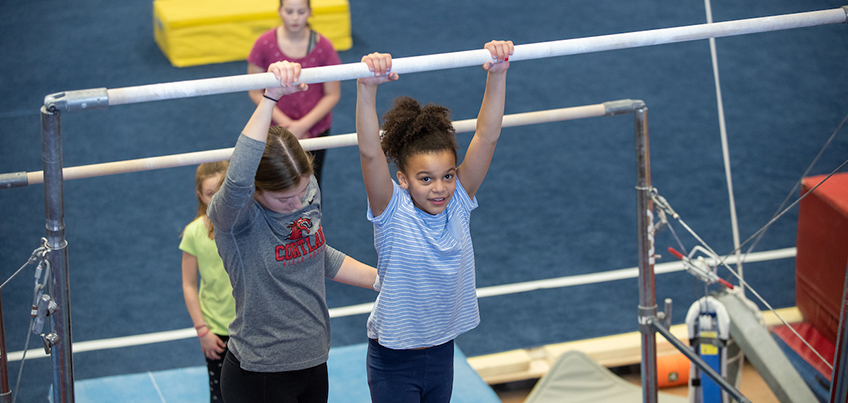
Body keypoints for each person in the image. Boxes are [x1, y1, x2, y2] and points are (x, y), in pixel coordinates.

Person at [208, 61, 377, 403]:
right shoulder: (236, 219)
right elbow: (238, 178)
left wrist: (383, 280)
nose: (298, 204)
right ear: (257, 191)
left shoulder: (307, 191)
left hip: (314, 361)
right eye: (285, 198)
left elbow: (317, 254)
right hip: (260, 374)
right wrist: (270, 97)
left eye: (302, 192)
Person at [355, 40, 514, 403]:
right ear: (402, 179)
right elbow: (369, 153)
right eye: (425, 178)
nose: (439, 188)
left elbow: (487, 137)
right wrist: (366, 87)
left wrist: (498, 74)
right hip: (394, 359)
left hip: (442, 350)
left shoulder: (458, 202)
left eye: (448, 176)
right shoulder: (391, 212)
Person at [246, 0, 341, 186]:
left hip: (314, 128)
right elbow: (255, 91)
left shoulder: (324, 47)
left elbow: (332, 94)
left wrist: (302, 126)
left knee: (312, 181)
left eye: (301, 11)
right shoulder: (263, 45)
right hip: (275, 128)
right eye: (289, 11)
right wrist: (287, 125)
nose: (295, 18)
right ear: (280, 11)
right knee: (276, 182)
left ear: (310, 12)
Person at [179, 161, 235, 402]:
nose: (217, 198)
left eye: (222, 190)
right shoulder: (193, 233)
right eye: (211, 193)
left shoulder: (246, 224)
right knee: (221, 395)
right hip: (216, 331)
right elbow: (189, 285)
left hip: (251, 326)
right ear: (200, 195)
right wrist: (202, 330)